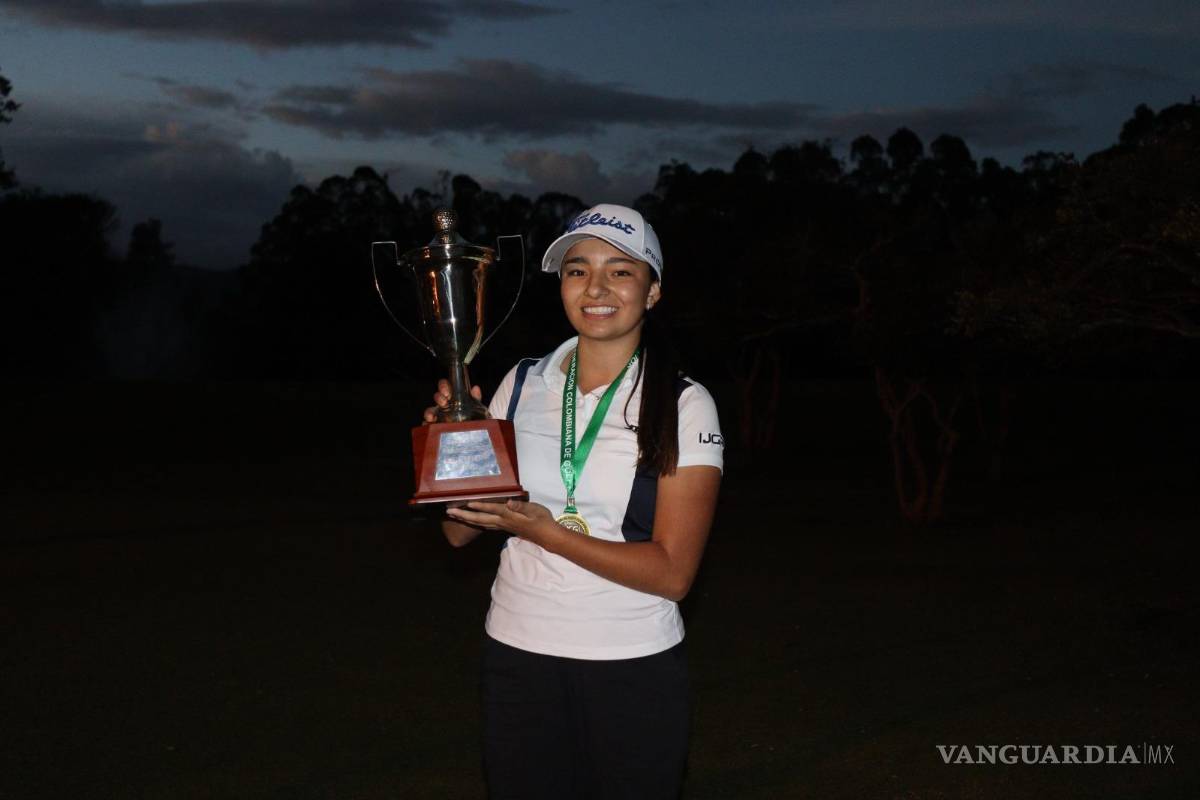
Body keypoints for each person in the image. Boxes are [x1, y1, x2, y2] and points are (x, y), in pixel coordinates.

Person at [425, 204, 723, 799]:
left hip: (631, 665)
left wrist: (543, 531)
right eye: (577, 270)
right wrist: (454, 452)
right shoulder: (523, 381)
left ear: (653, 291)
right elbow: (457, 534)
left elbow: (674, 574)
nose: (595, 288)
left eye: (620, 271)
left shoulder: (684, 404)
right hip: (518, 655)